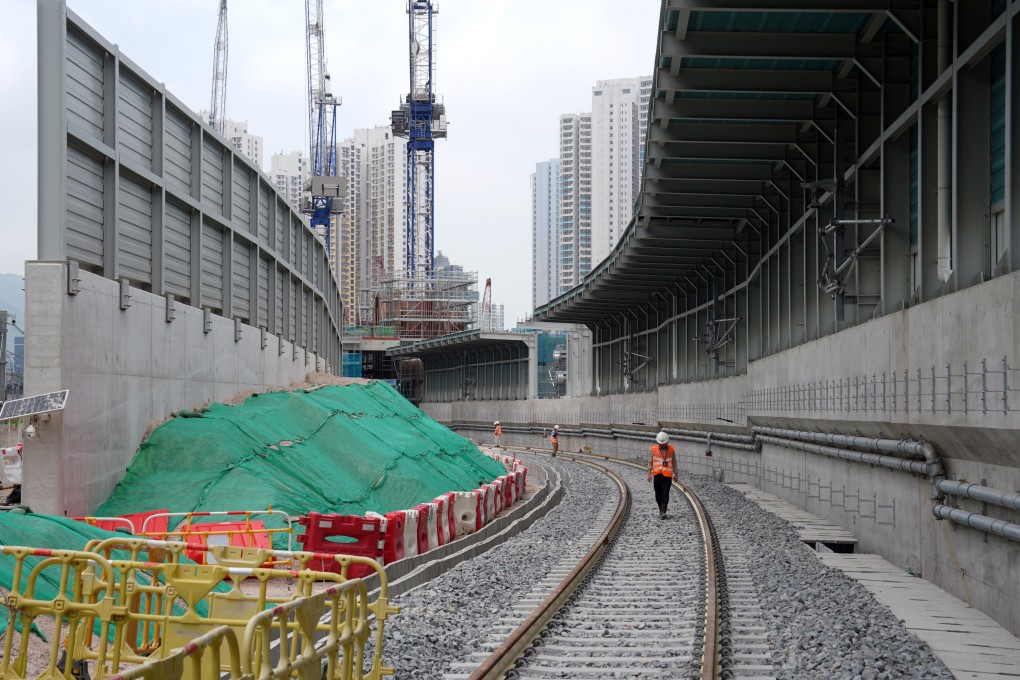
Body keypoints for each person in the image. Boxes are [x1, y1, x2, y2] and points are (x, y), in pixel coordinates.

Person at [647, 431, 676, 519]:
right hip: (657, 475)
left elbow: (674, 462)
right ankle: (661, 510)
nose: (662, 445)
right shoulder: (653, 449)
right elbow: (650, 462)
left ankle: (663, 512)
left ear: (667, 442)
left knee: (665, 493)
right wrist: (649, 474)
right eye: (660, 443)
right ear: (657, 442)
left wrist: (676, 473)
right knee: (658, 494)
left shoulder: (671, 450)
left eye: (664, 443)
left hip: (667, 476)